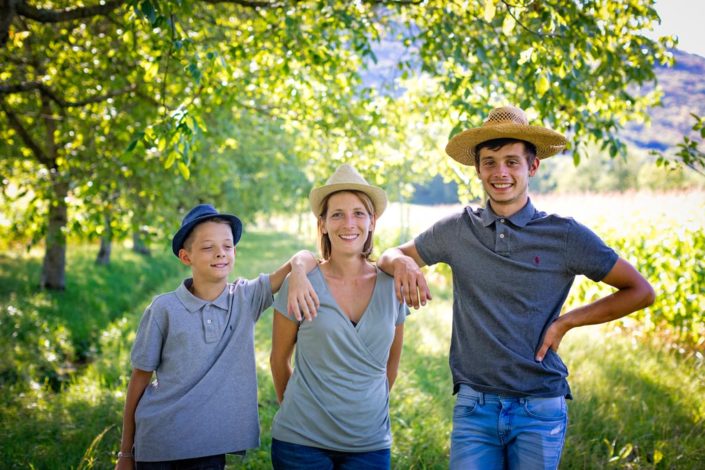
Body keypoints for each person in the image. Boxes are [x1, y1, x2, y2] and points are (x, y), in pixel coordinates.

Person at [377, 105, 656, 469]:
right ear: (477, 169)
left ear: (532, 166)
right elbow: (389, 254)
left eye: (512, 161)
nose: (500, 172)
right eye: (490, 162)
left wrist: (566, 322)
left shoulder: (564, 235)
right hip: (474, 406)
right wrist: (401, 261)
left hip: (539, 407)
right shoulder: (458, 229)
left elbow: (640, 291)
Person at [115, 203, 317, 470]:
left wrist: (300, 273)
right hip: (159, 443)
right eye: (208, 247)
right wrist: (125, 454)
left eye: (227, 246)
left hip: (210, 446)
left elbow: (302, 257)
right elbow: (139, 380)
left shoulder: (245, 297)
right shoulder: (164, 309)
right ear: (186, 257)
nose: (220, 254)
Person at [269, 164, 408, 469]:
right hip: (300, 443)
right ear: (322, 225)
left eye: (359, 213)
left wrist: (361, 414)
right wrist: (297, 413)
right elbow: (279, 360)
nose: (349, 223)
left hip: (369, 444)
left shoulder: (391, 285)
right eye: (337, 214)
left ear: (372, 222)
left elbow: (390, 367)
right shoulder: (300, 282)